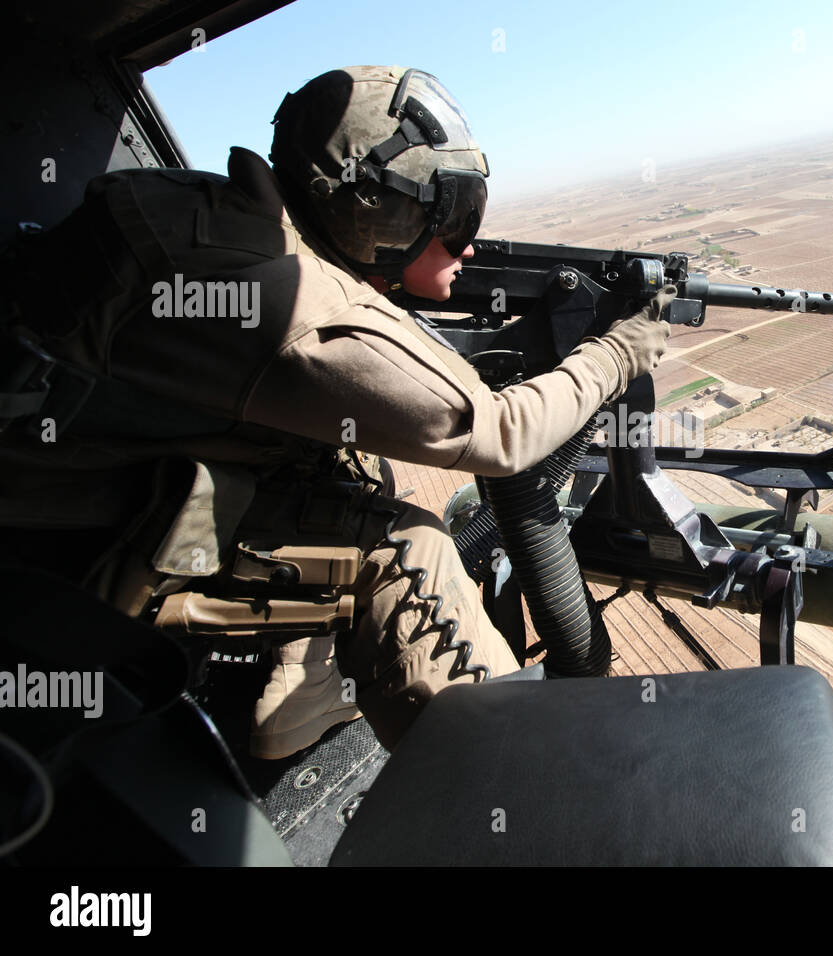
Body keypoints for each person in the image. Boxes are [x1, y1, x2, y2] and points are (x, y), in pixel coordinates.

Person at [0, 65, 674, 755]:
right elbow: (499, 433)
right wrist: (620, 352)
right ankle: (520, 790)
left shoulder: (218, 214)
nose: (469, 244)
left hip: (68, 478)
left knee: (348, 466)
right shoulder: (293, 302)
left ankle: (311, 674)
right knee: (409, 551)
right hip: (60, 548)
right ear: (377, 209)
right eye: (457, 214)